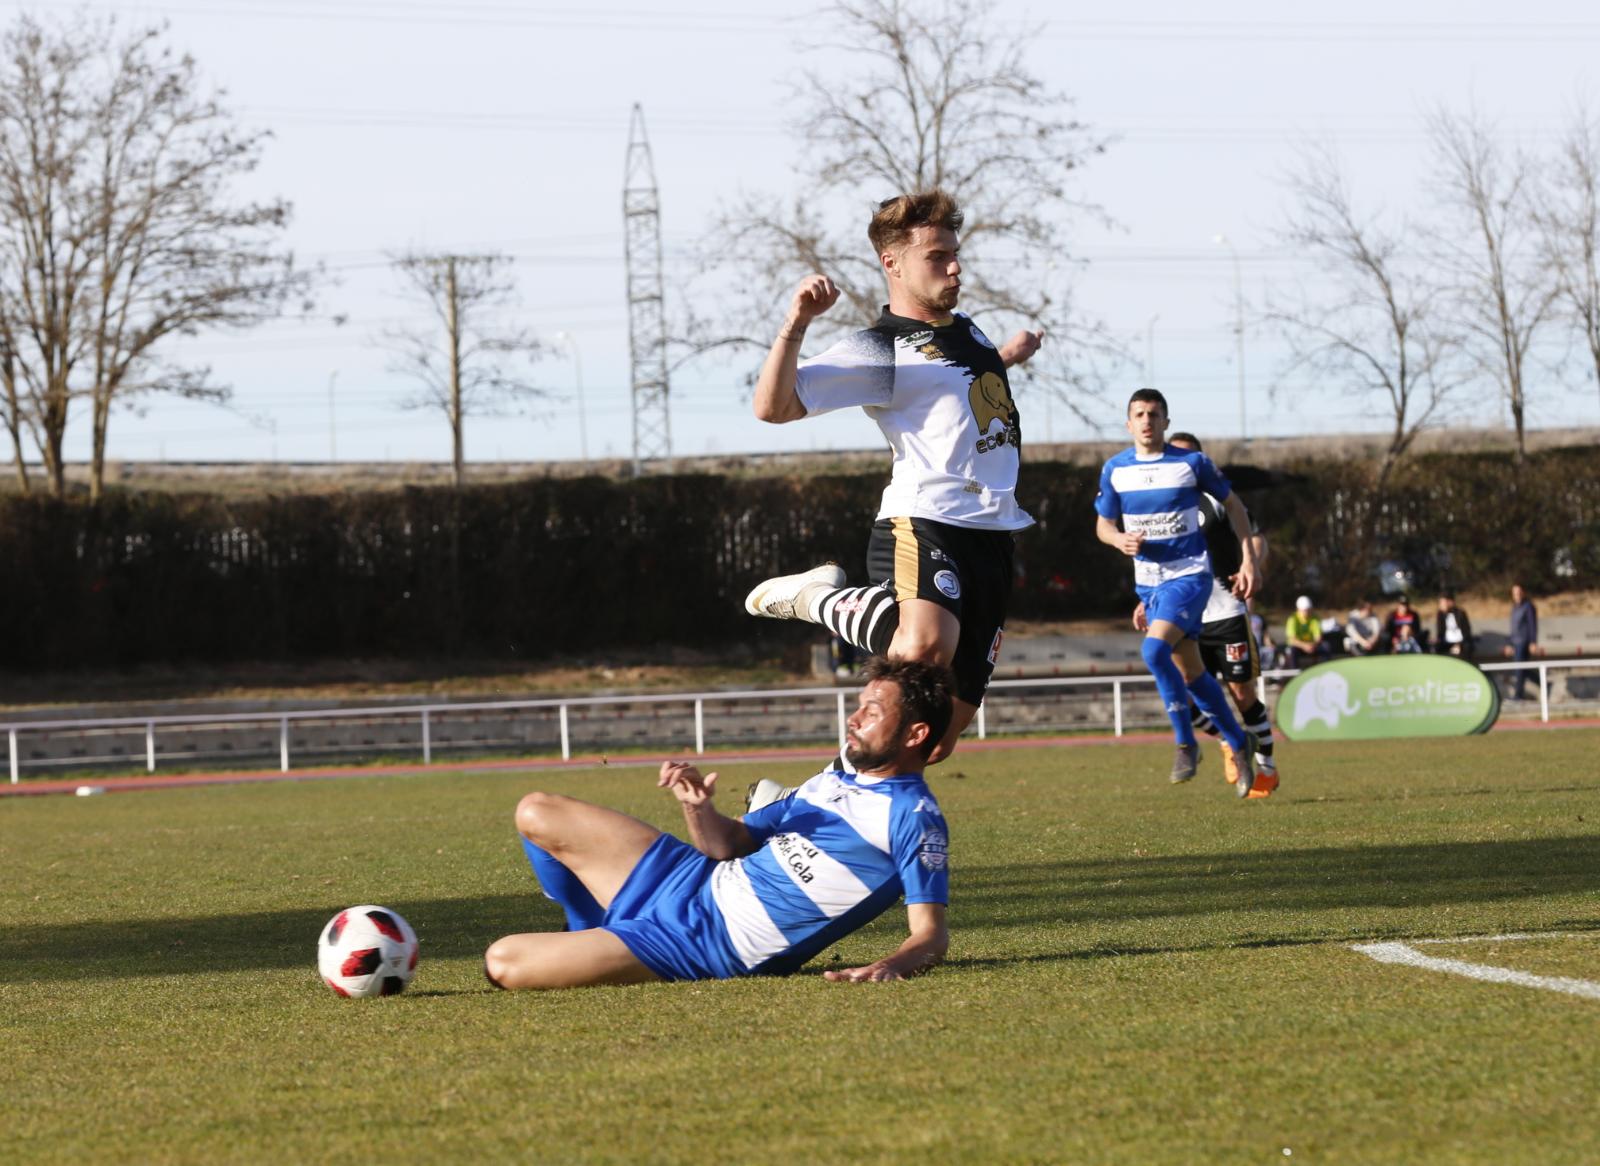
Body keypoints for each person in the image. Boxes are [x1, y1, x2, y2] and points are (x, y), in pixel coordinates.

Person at [741, 189, 1044, 766]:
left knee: (931, 741)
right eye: (937, 256)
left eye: (955, 253)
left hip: (993, 536)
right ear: (893, 263)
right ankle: (824, 600)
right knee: (922, 647)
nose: (954, 266)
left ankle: (803, 813)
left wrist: (1003, 358)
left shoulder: (970, 334)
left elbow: (948, 392)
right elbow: (772, 408)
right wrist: (795, 325)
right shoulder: (880, 349)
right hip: (926, 520)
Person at [482, 658, 954, 990]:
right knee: (536, 811)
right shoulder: (830, 783)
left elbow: (931, 935)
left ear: (915, 734)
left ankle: (604, 937)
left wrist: (890, 966)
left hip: (703, 944)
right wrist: (696, 806)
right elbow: (725, 843)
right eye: (859, 705)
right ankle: (589, 926)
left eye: (873, 712)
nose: (854, 719)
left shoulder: (914, 818)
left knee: (502, 962)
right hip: (691, 879)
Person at [1094, 389, 1261, 796]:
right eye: (1139, 414)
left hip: (1189, 577)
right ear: (1128, 423)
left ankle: (1186, 743)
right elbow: (1102, 526)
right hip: (1148, 583)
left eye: (1154, 414)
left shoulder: (1191, 463)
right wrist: (1119, 540)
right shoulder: (1116, 469)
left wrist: (1248, 560)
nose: (1147, 420)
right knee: (1192, 672)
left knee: (1153, 652)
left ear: (1166, 422)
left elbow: (1235, 507)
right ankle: (1239, 741)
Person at [1130, 431, 1279, 797]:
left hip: (1225, 608)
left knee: (1242, 691)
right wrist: (1146, 601)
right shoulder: (1158, 504)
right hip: (1182, 611)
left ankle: (1266, 768)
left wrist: (1251, 565)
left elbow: (1255, 537)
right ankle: (1231, 740)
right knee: (1189, 691)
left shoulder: (1218, 499)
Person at [1505, 583, 1541, 700]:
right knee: (1523, 669)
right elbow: (1513, 627)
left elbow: (1532, 625)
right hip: (1515, 642)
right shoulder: (1514, 607)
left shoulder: (1528, 606)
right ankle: (1544, 683)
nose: (1517, 595)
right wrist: (1509, 644)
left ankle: (1518, 695)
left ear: (1523, 593)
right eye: (1515, 593)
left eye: (1519, 592)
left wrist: (1533, 642)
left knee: (1520, 669)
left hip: (1524, 642)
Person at [1284, 596, 1328, 669]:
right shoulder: (1293, 619)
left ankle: (1326, 669)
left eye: (1309, 610)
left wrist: (1313, 645)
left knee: (1326, 647)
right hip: (1298, 647)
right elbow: (1292, 639)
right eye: (1305, 610)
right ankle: (1294, 672)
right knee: (1292, 650)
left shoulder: (1314, 618)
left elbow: (1318, 637)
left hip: (1312, 645)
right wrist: (1304, 646)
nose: (1307, 612)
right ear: (1298, 609)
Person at [1434, 592, 1475, 658]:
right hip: (1446, 642)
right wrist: (1437, 640)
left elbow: (1466, 632)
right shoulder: (1440, 614)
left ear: (1450, 602)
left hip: (1460, 642)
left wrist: (1459, 644)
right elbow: (1440, 631)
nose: (1440, 605)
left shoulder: (1460, 613)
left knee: (1467, 647)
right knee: (1435, 648)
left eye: (1442, 602)